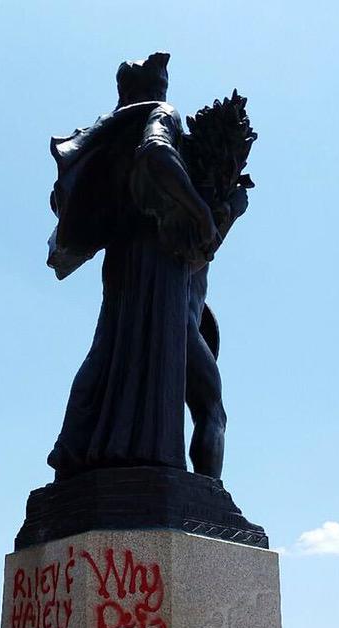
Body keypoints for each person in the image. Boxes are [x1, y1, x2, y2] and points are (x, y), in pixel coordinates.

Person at [46, 53, 247, 481]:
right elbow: (156, 151)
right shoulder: (161, 115)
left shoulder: (115, 132)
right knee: (210, 406)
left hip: (126, 262)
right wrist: (205, 212)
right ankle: (208, 495)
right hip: (158, 269)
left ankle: (71, 449)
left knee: (109, 350)